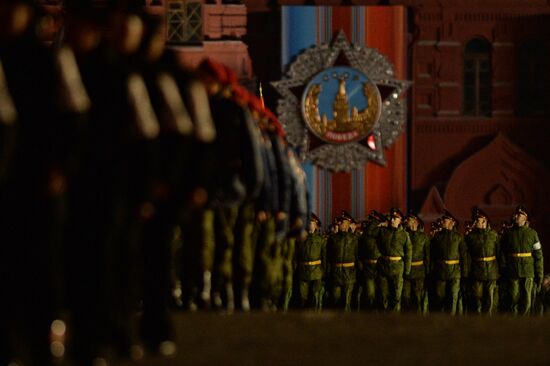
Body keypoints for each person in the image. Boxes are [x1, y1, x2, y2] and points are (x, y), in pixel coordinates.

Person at [499, 205, 544, 315]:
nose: (516, 216)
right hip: (512, 271)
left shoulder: (532, 233)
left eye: (520, 215)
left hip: (528, 271)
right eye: (516, 214)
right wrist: (504, 267)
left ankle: (525, 323)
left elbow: (538, 256)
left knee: (527, 300)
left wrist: (539, 274)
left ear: (525, 218)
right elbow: (501, 252)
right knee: (513, 299)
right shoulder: (508, 234)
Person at [430, 210, 468, 315]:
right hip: (440, 271)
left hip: (455, 272)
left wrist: (464, 273)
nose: (442, 221)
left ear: (452, 222)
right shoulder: (437, 237)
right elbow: (432, 255)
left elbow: (464, 256)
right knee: (439, 296)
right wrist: (431, 270)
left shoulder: (459, 237)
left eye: (445, 220)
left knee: (453, 297)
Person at [465, 208, 500, 315]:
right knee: (477, 295)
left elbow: (499, 252)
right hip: (476, 270)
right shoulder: (470, 237)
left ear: (484, 221)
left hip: (491, 270)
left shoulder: (493, 235)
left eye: (478, 220)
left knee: (490, 296)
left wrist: (500, 268)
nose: (475, 223)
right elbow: (467, 255)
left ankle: (488, 318)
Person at [376, 208, 412, 312]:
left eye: (395, 218)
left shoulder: (404, 235)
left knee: (396, 296)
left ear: (400, 220)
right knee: (383, 295)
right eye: (391, 218)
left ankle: (395, 319)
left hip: (397, 267)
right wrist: (380, 224)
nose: (392, 220)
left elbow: (408, 253)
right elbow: (369, 234)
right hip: (384, 266)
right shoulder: (383, 231)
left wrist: (407, 271)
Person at [327, 211, 359, 311]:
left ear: (348, 224)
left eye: (342, 222)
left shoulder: (354, 239)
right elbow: (328, 255)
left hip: (349, 273)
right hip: (336, 273)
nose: (339, 223)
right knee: (335, 299)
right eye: (339, 222)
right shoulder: (332, 238)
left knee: (346, 302)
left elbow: (357, 256)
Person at [297, 213, 327, 310]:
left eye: (312, 223)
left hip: (316, 272)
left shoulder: (321, 240)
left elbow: (324, 257)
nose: (310, 225)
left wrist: (323, 272)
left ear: (316, 225)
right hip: (303, 271)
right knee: (302, 297)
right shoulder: (300, 239)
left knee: (315, 297)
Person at [356, 211, 384, 311]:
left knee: (378, 293)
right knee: (371, 294)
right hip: (370, 266)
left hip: (379, 267)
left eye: (373, 221)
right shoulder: (367, 235)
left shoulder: (380, 233)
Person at [402, 213, 430, 314]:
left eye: (409, 220)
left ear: (415, 222)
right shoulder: (404, 235)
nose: (406, 222)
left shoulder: (424, 237)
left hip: (419, 272)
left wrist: (427, 272)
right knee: (405, 297)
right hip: (406, 271)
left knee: (418, 298)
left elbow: (427, 256)